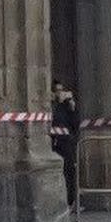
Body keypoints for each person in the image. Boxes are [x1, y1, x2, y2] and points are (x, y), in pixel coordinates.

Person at [49, 80, 81, 211]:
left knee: (70, 171)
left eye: (61, 90)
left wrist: (72, 108)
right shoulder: (51, 105)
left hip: (66, 142)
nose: (60, 93)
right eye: (57, 91)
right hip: (53, 142)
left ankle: (71, 201)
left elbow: (74, 124)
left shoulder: (66, 106)